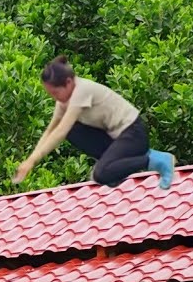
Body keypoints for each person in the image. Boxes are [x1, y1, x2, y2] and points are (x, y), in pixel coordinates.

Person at [12, 56, 176, 190]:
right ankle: (112, 166)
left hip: (133, 134)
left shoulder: (82, 90)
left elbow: (60, 131)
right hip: (114, 139)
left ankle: (156, 160)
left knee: (100, 175)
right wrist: (30, 160)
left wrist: (33, 161)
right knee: (73, 131)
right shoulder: (63, 101)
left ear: (69, 82)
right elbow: (51, 130)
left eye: (55, 93)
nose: (54, 98)